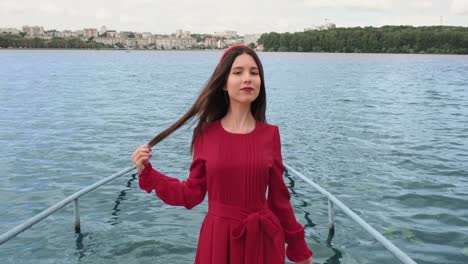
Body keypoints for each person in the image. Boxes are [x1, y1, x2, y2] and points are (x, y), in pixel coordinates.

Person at [131, 44, 313, 264]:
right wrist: (149, 174)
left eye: (254, 73)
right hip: (218, 242)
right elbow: (191, 194)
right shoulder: (205, 134)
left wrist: (300, 250)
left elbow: (279, 201)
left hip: (263, 242)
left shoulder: (270, 135)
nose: (248, 78)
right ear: (224, 84)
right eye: (238, 72)